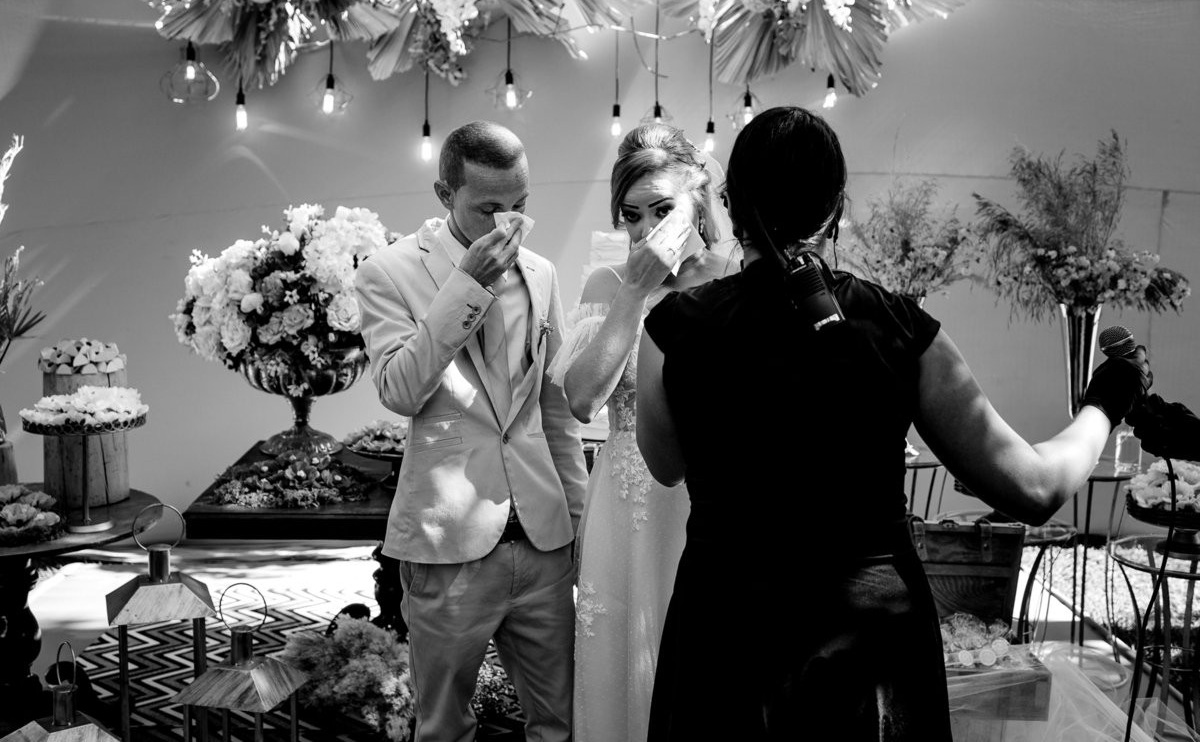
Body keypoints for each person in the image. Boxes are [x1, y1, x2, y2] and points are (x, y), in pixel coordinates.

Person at [635, 106, 1152, 740]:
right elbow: (1036, 488)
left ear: (730, 206)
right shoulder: (900, 330)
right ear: (837, 209)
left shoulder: (671, 331)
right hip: (868, 645)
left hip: (726, 636)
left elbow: (665, 467)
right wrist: (1106, 400)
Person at [354, 121, 587, 742]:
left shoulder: (541, 272)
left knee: (561, 726)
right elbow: (401, 390)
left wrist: (579, 520)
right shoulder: (387, 272)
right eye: (489, 208)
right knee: (443, 730)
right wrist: (468, 284)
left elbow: (554, 411)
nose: (509, 223)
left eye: (520, 205)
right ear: (444, 194)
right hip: (447, 546)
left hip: (541, 540)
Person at [546, 124, 732, 742]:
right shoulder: (609, 283)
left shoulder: (734, 277)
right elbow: (581, 400)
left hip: (712, 501)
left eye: (661, 210)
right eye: (631, 216)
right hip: (626, 508)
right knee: (623, 673)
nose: (646, 230)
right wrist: (635, 289)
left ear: (698, 201)